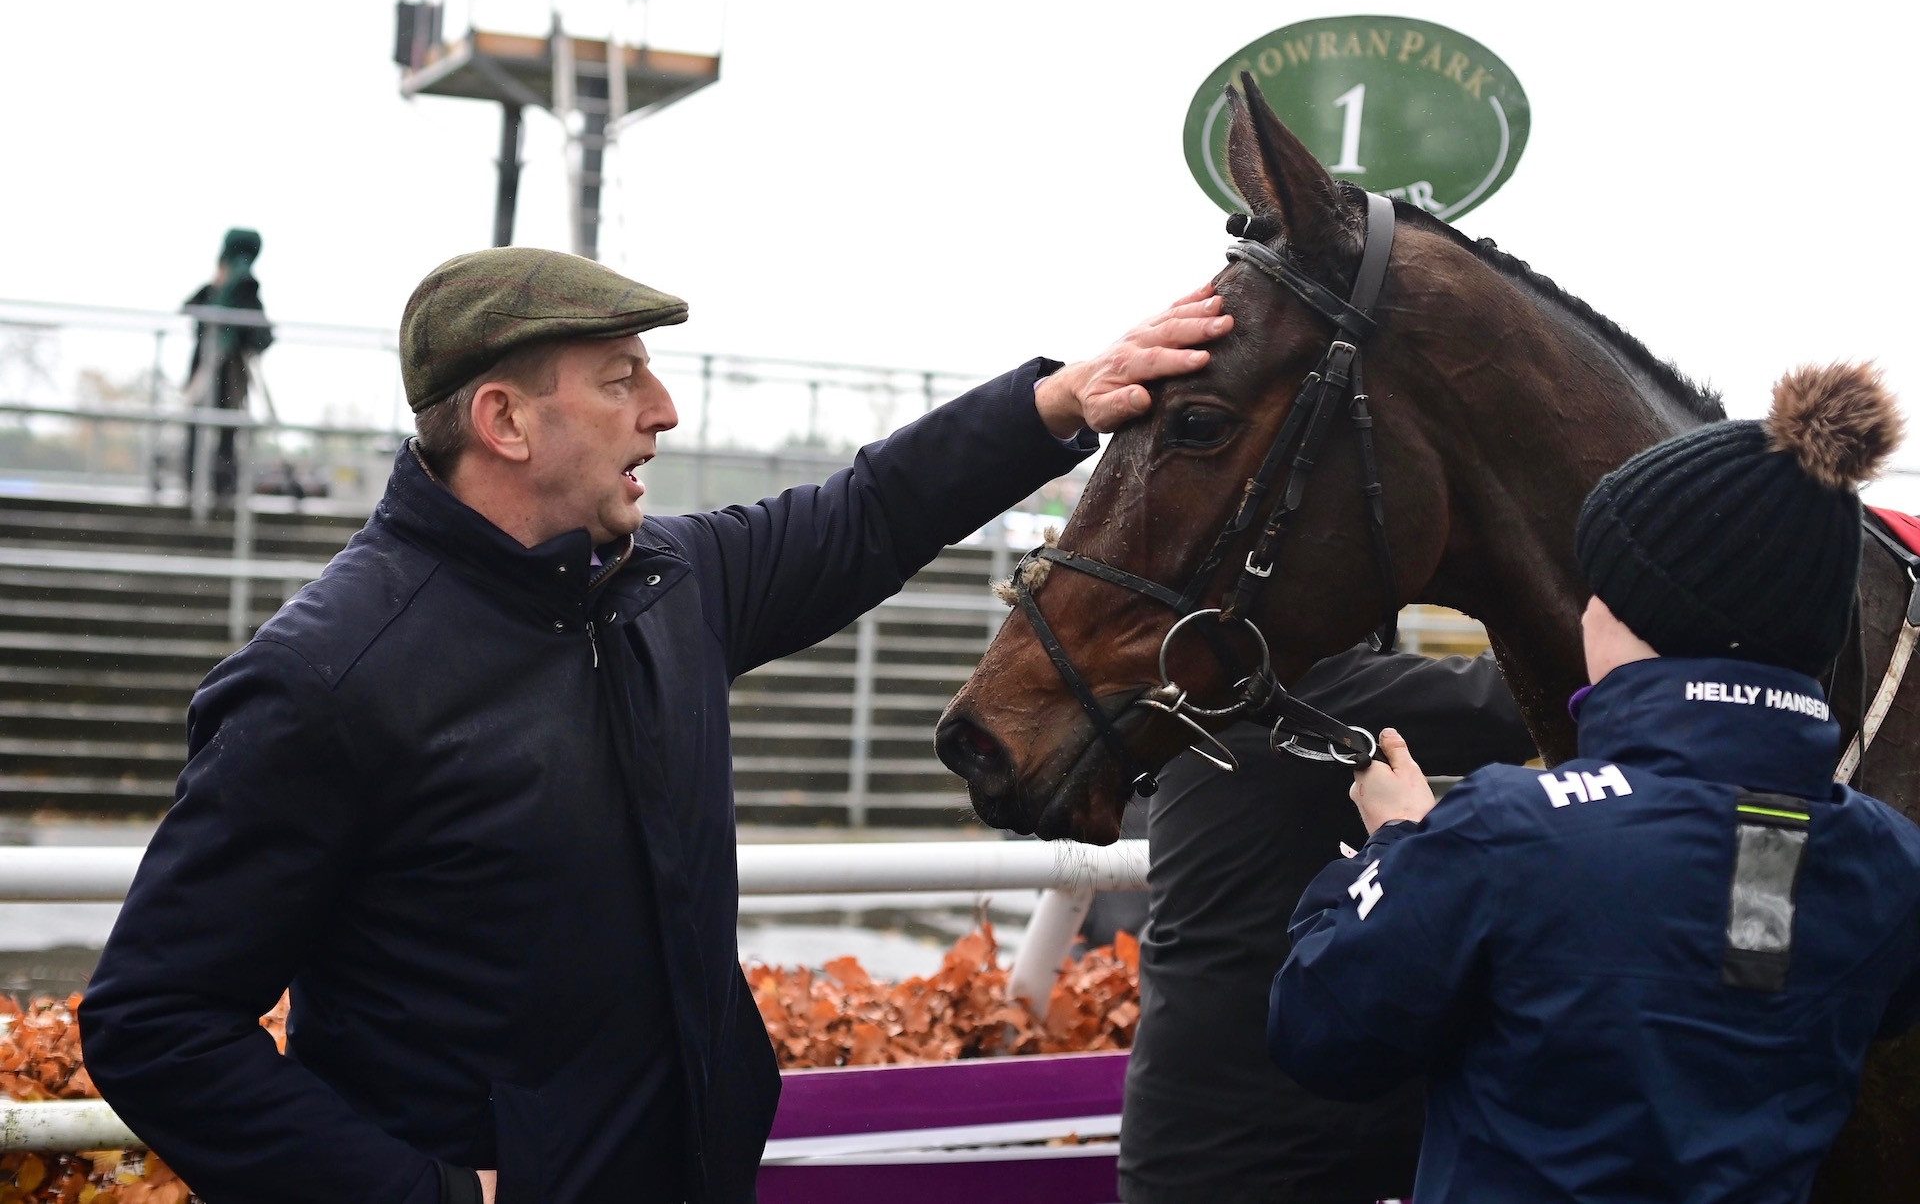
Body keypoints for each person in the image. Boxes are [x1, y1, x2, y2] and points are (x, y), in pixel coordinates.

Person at [79, 246, 1232, 1204]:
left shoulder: (668, 579)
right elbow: (156, 1019)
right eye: (623, 375)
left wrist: (1062, 402)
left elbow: (869, 511)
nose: (664, 410)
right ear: (504, 419)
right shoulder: (327, 675)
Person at [1268, 363, 1920, 1203]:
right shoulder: (1888, 859)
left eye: (1600, 588)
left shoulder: (1505, 832)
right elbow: (1740, 968)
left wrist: (1401, 847)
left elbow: (1321, 1029)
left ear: (1647, 616)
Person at [1119, 646, 1534, 1204]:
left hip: (1193, 1137)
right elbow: (1517, 700)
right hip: (1286, 1147)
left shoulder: (1209, 688)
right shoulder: (1303, 685)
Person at [182, 228, 273, 502]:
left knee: (224, 428)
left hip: (230, 371)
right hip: (212, 369)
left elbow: (260, 335)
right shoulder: (217, 290)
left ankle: (216, 483)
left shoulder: (242, 289)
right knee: (207, 424)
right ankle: (203, 483)